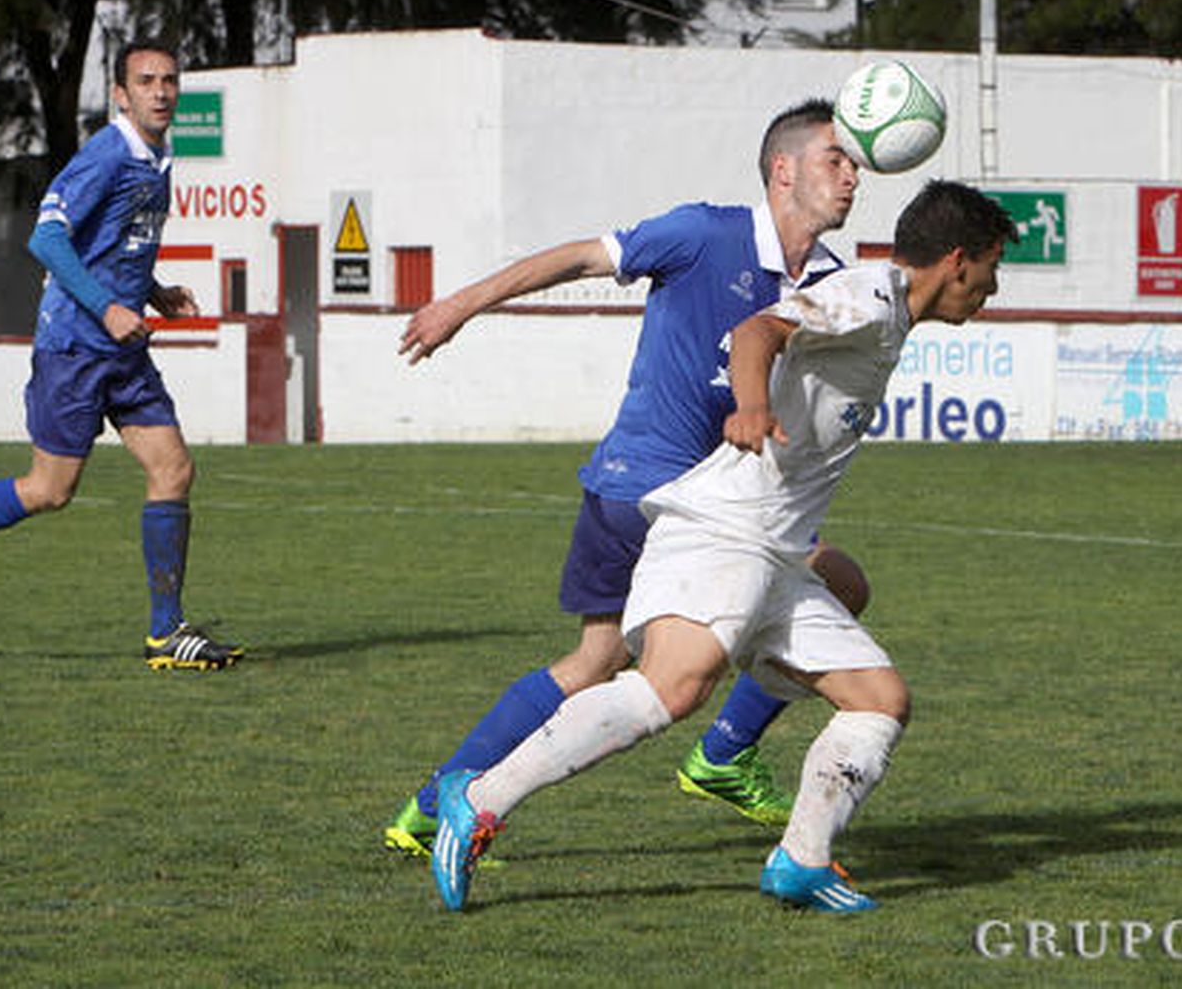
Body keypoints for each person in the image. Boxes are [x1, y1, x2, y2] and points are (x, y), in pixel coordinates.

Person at [429, 179, 1015, 914]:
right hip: (723, 530)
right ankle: (477, 798)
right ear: (958, 260)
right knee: (672, 688)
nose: (993, 288)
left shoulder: (889, 315)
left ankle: (801, 861)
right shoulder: (868, 294)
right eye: (992, 267)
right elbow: (755, 332)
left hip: (776, 554)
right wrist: (751, 406)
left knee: (879, 701)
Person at [386, 99, 870, 854]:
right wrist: (463, 304)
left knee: (601, 658)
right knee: (688, 652)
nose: (852, 176)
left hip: (717, 505)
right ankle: (721, 755)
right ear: (784, 170)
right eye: (836, 160)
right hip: (644, 487)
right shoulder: (704, 233)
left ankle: (431, 806)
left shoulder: (836, 280)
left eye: (855, 165)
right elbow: (581, 257)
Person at [0, 40, 241, 672]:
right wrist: (107, 306)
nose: (160, 92)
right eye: (146, 81)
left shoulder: (157, 156)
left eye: (168, 81)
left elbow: (113, 243)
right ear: (120, 93)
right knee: (49, 490)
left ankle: (167, 633)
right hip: (76, 348)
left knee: (174, 470)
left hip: (124, 351)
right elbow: (47, 238)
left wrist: (153, 291)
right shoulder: (107, 154)